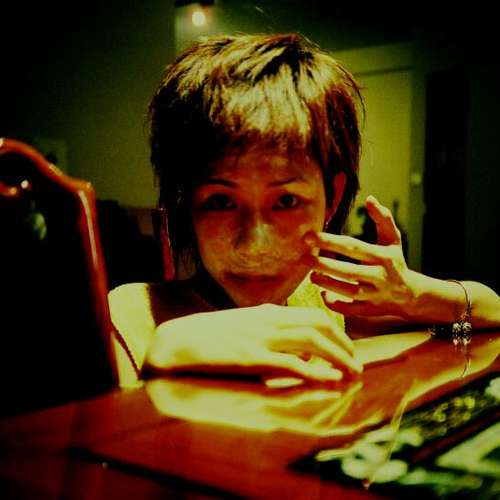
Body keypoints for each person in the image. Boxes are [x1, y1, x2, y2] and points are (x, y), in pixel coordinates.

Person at [109, 33, 500, 388]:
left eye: (287, 201)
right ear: (185, 203)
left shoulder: (321, 300)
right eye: (221, 201)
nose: (256, 244)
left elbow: (492, 309)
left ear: (332, 198)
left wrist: (413, 293)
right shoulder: (131, 317)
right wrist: (163, 355)